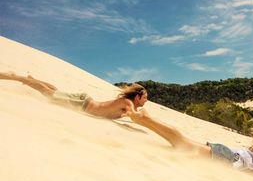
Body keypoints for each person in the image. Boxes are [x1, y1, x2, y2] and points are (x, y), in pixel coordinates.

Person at [127, 108, 253, 181]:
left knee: (181, 143)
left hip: (225, 154)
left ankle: (146, 120)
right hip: (227, 156)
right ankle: (145, 119)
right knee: (181, 142)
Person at [0, 72, 148, 119]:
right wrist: (143, 116)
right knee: (49, 94)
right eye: (145, 98)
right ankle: (18, 77)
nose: (146, 101)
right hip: (82, 104)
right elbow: (135, 117)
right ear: (137, 97)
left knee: (54, 91)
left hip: (83, 101)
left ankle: (32, 80)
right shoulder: (128, 104)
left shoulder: (127, 104)